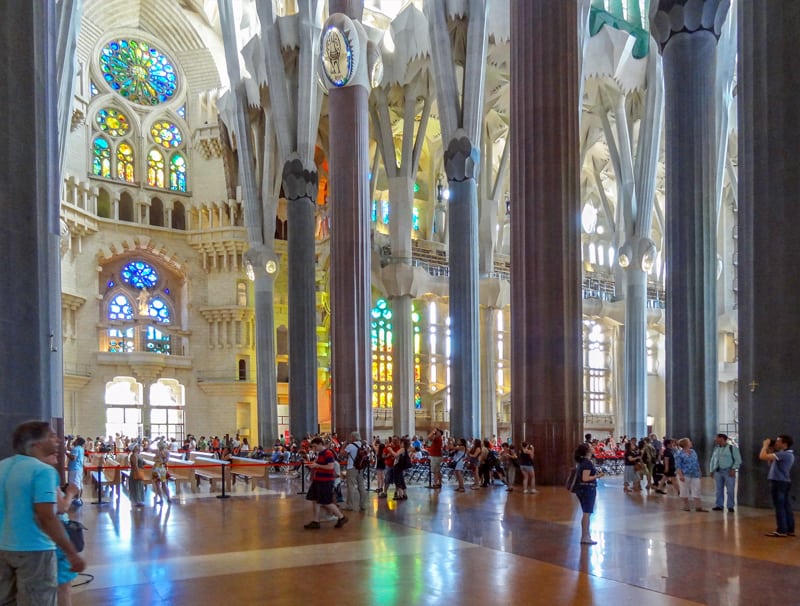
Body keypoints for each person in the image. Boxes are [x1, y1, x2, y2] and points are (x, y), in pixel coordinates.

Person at [0, 421, 86, 605]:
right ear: (36, 443)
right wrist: (71, 552)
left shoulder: (3, 466)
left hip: (4, 546)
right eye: (52, 436)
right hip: (34, 549)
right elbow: (46, 516)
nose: (58, 440)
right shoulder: (42, 471)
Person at [304, 437, 347, 529]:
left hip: (325, 481)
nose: (314, 449)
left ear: (320, 444)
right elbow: (322, 465)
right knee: (315, 500)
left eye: (315, 446)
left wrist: (317, 465)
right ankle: (315, 521)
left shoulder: (328, 453)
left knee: (326, 502)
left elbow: (330, 467)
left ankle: (341, 517)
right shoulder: (320, 454)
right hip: (318, 480)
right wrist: (314, 466)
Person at [759, 434, 795, 537]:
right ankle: (789, 529)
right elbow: (770, 462)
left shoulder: (785, 454)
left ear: (785, 444)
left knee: (779, 507)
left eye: (779, 441)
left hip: (779, 482)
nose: (776, 442)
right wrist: (770, 451)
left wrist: (765, 446)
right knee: (785, 506)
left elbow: (762, 456)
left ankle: (782, 530)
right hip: (783, 482)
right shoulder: (784, 454)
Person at [573, 443, 605, 545]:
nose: (593, 448)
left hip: (583, 489)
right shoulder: (587, 463)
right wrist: (598, 476)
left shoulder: (583, 462)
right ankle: (585, 536)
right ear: (587, 451)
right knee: (587, 513)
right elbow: (585, 478)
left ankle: (586, 535)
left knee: (586, 513)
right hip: (587, 489)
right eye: (591, 447)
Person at [709, 433, 741, 512]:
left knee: (730, 489)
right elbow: (713, 460)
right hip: (718, 471)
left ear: (721, 438)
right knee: (718, 489)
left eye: (716, 438)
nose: (715, 439)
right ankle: (719, 505)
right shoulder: (716, 449)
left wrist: (733, 469)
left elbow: (738, 460)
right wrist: (711, 470)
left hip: (728, 471)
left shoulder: (732, 448)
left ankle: (730, 506)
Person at [674, 437, 708, 512]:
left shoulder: (693, 452)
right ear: (686, 444)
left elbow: (696, 462)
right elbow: (678, 466)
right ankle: (686, 506)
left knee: (697, 489)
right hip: (685, 474)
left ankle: (698, 506)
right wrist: (680, 475)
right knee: (684, 490)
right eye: (689, 441)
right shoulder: (679, 454)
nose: (691, 442)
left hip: (695, 474)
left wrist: (699, 471)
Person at [343, 431, 367, 512]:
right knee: (361, 486)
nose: (350, 438)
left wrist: (343, 446)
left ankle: (350, 505)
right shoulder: (363, 445)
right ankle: (362, 505)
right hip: (360, 467)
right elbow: (368, 452)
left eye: (351, 437)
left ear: (353, 437)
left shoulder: (350, 446)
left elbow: (342, 454)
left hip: (351, 467)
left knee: (351, 486)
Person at [66, 437, 85, 507]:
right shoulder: (79, 448)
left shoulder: (76, 449)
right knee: (78, 483)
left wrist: (66, 453)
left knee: (76, 484)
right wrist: (69, 440)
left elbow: (73, 458)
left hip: (75, 468)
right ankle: (78, 498)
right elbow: (68, 448)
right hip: (78, 468)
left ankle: (78, 499)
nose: (74, 441)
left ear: (77, 442)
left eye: (75, 440)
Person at [151, 440, 171, 505]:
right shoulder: (166, 452)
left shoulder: (159, 451)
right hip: (161, 468)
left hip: (159, 468)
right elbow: (166, 460)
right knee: (163, 484)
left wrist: (152, 442)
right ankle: (167, 498)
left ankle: (163, 498)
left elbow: (165, 460)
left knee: (159, 484)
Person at [128, 443, 146, 508]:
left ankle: (139, 500)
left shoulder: (138, 455)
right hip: (135, 472)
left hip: (139, 470)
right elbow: (135, 465)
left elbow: (143, 462)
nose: (138, 447)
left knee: (139, 486)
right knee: (136, 486)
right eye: (136, 447)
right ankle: (136, 501)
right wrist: (138, 473)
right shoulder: (133, 455)